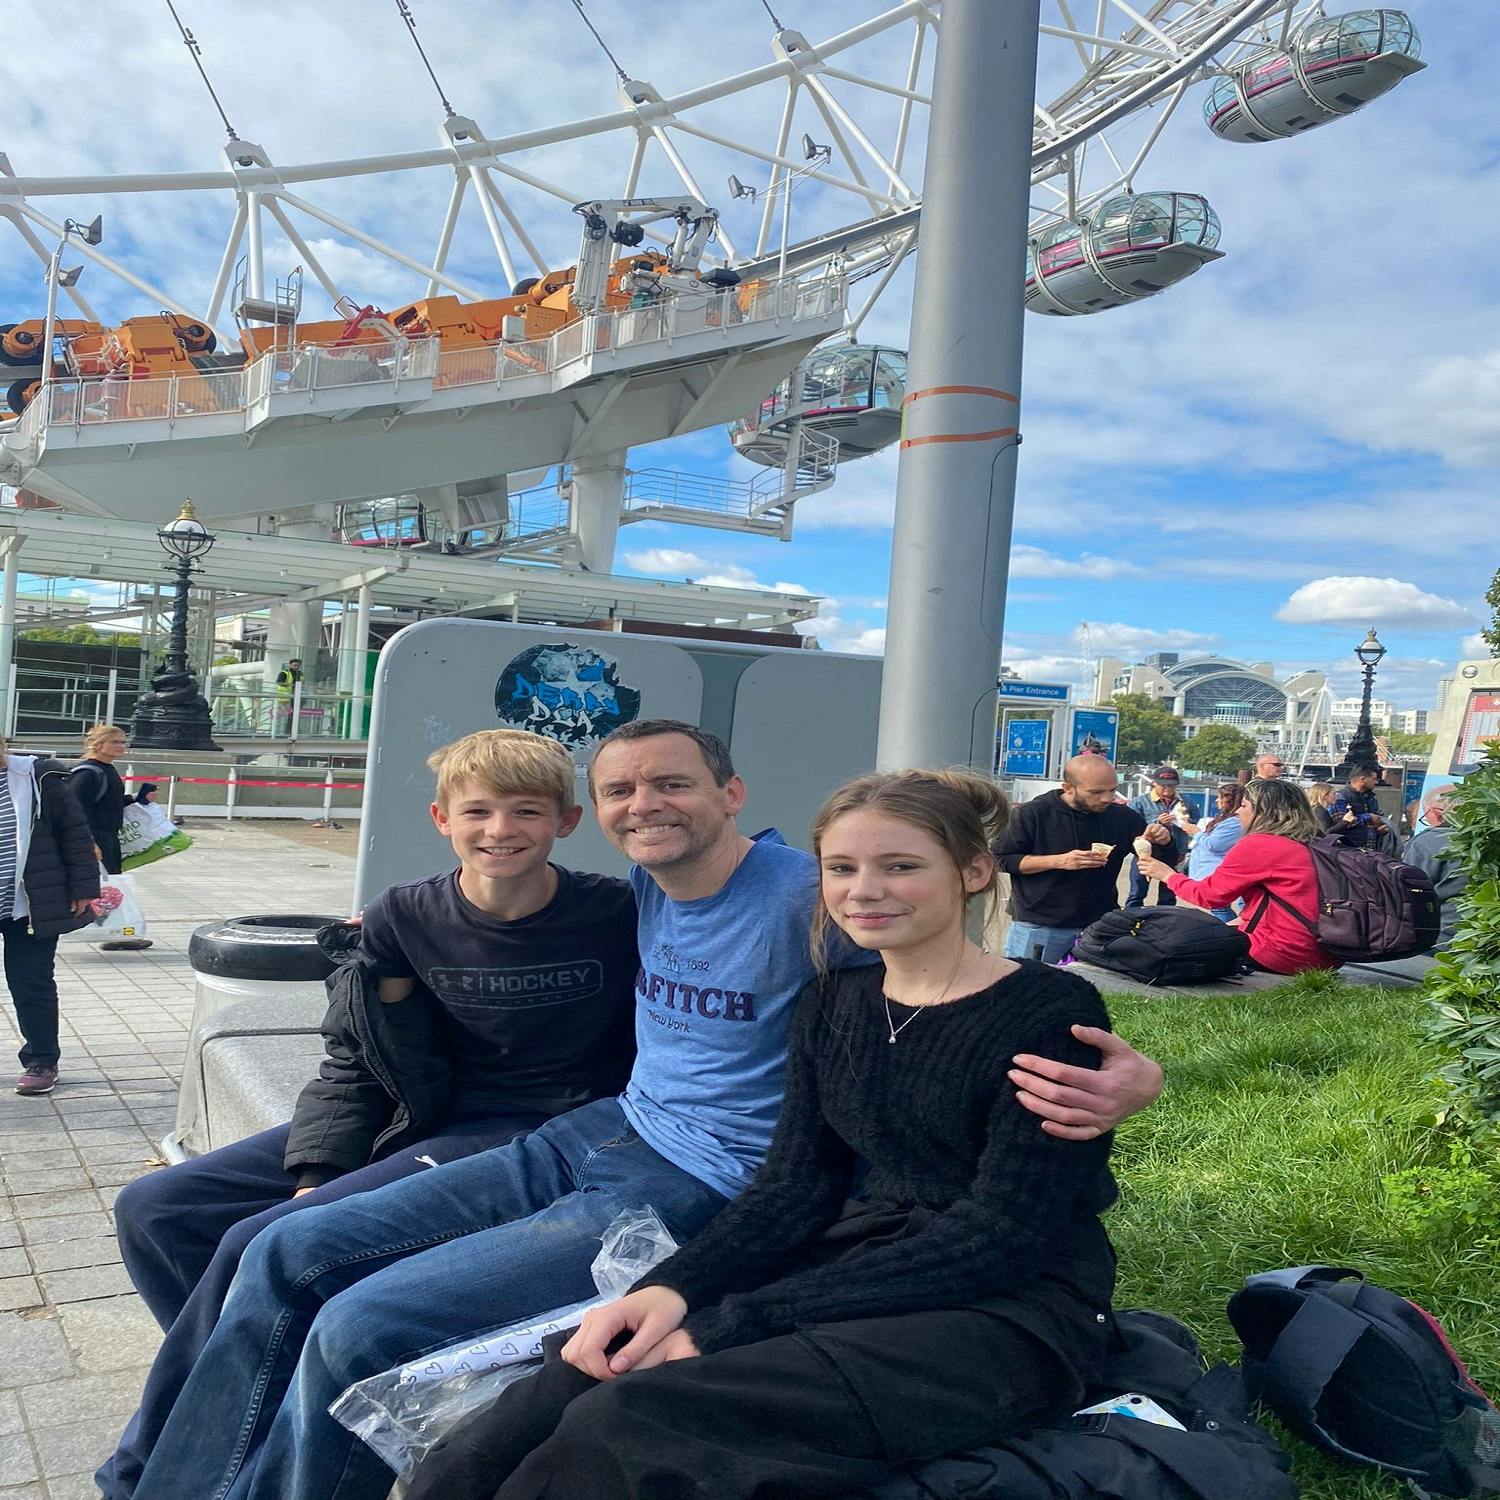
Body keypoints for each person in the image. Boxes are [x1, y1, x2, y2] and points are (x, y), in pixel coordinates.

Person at [121, 721, 1162, 1500]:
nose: (644, 806)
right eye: (620, 790)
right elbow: (508, 881)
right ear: (598, 814)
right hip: (597, 1130)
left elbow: (961, 1011)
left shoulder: (816, 907)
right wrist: (389, 933)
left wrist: (1134, 1077)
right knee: (280, 1253)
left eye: (672, 785)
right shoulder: (642, 888)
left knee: (360, 1323)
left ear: (731, 794)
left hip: (701, 1184)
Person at [405, 770, 1119, 1500]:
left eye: (900, 866)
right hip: (859, 1260)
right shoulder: (834, 1002)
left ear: (972, 873)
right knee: (573, 1373)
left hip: (1010, 1308)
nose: (864, 891)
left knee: (633, 1418)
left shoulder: (1046, 1007)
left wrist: (737, 1321)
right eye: (841, 869)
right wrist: (672, 1289)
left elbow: (1003, 1232)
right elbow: (794, 1186)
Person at [99, 729, 640, 1500]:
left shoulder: (614, 913)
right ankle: (236, 1393)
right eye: (478, 811)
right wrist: (318, 1169)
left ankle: (142, 1474)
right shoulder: (402, 917)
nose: (500, 831)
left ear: (566, 821)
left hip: (530, 1134)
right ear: (440, 819)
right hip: (415, 1113)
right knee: (156, 1208)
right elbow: (357, 1056)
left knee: (264, 1242)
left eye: (526, 811)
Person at [1136, 777, 1339, 975]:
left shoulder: (1260, 844)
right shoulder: (1318, 843)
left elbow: (1209, 896)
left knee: (1159, 942)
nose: (1238, 812)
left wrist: (1167, 874)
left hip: (1284, 953)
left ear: (1262, 812)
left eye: (1243, 805)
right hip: (1327, 953)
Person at [992, 755, 1170, 962]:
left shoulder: (1122, 817)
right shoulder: (1033, 814)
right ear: (1068, 787)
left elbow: (1159, 857)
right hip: (1040, 924)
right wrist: (1058, 861)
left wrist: (1162, 841)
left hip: (1099, 925)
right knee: (1031, 989)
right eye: (1096, 792)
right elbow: (999, 858)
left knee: (1091, 990)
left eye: (1112, 790)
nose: (1107, 798)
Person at [3, 738, 99, 1095]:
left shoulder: (37, 776)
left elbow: (75, 832)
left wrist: (84, 887)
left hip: (28, 903)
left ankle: (41, 1060)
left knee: (31, 985)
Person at [68, 723, 152, 952]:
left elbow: (106, 806)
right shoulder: (87, 773)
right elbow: (75, 810)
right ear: (98, 744)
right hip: (95, 839)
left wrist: (136, 798)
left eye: (123, 742)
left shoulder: (106, 769)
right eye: (115, 742)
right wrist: (88, 842)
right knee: (102, 887)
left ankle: (118, 931)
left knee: (111, 885)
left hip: (107, 837)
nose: (122, 746)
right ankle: (114, 931)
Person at [1405, 785, 1465, 947]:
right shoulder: (1488, 837)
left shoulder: (1426, 842)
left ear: (1436, 812)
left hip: (1441, 936)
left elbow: (1410, 895)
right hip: (1485, 933)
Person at [1125, 765, 1190, 908]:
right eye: (1163, 785)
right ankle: (1131, 921)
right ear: (1154, 783)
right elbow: (1130, 826)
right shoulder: (1140, 802)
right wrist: (1157, 822)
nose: (1167, 788)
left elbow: (1195, 821)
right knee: (1137, 891)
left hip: (1175, 851)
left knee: (1169, 890)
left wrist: (1183, 820)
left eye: (1172, 785)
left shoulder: (1186, 801)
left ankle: (1165, 921)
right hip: (1146, 852)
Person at [1181, 782, 1245, 921]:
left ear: (1230, 800)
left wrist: (1196, 833)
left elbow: (1214, 844)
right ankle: (1235, 932)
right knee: (1218, 907)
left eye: (1220, 797)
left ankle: (1235, 933)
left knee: (1218, 906)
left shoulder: (1234, 822)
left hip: (1214, 870)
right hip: (1208, 869)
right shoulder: (1226, 819)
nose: (1216, 800)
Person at [1330, 765, 1390, 850]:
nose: (1376, 782)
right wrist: (1369, 817)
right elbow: (1341, 823)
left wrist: (1380, 828)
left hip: (1371, 849)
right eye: (1373, 779)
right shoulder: (1340, 797)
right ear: (1363, 780)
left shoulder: (1370, 797)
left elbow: (1376, 818)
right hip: (1351, 850)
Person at [274, 657, 303, 734]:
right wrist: (290, 685)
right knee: (283, 716)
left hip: (295, 698)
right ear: (290, 665)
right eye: (294, 665)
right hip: (284, 698)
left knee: (292, 716)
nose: (296, 667)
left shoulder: (300, 674)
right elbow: (279, 682)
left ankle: (292, 731)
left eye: (298, 666)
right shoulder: (284, 673)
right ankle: (281, 732)